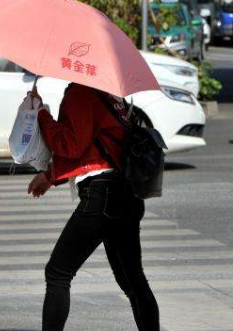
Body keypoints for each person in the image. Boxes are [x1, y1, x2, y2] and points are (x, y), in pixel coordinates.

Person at [28, 83, 160, 331]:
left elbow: (70, 144)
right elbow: (93, 147)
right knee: (133, 281)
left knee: (58, 273)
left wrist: (41, 115)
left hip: (101, 195)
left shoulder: (80, 91)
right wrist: (50, 177)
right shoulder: (111, 94)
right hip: (125, 193)